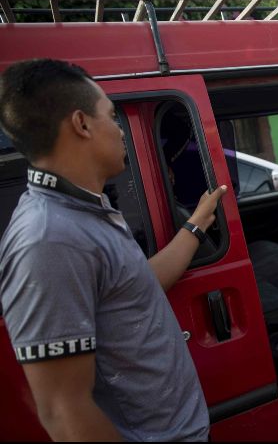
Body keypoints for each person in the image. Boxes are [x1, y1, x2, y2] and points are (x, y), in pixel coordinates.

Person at [0, 59, 226, 441]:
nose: (121, 130)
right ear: (81, 124)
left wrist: (196, 224)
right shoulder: (47, 239)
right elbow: (62, 411)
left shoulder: (86, 209)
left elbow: (136, 285)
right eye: (112, 116)